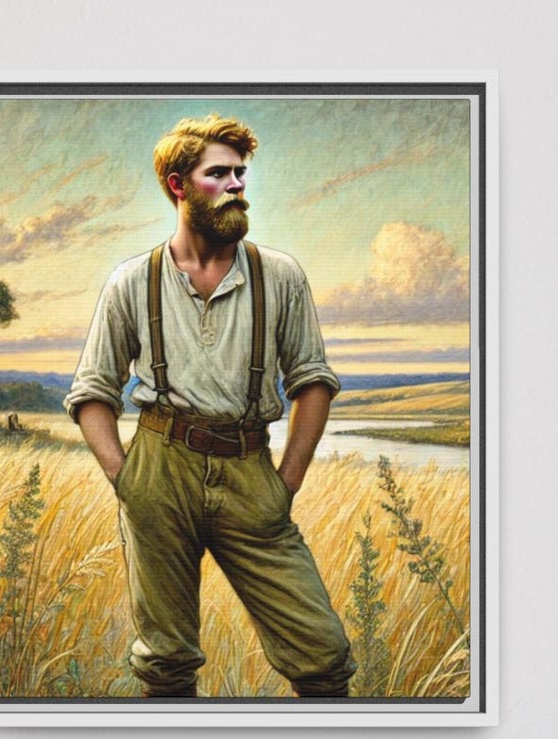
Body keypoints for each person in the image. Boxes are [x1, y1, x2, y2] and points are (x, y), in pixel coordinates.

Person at [64, 114, 356, 699]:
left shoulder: (279, 276)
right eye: (217, 173)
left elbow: (313, 382)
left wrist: (285, 483)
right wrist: (128, 480)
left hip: (250, 472)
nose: (236, 185)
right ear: (178, 185)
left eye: (240, 174)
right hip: (159, 467)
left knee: (323, 654)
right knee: (165, 663)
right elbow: (93, 391)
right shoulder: (131, 281)